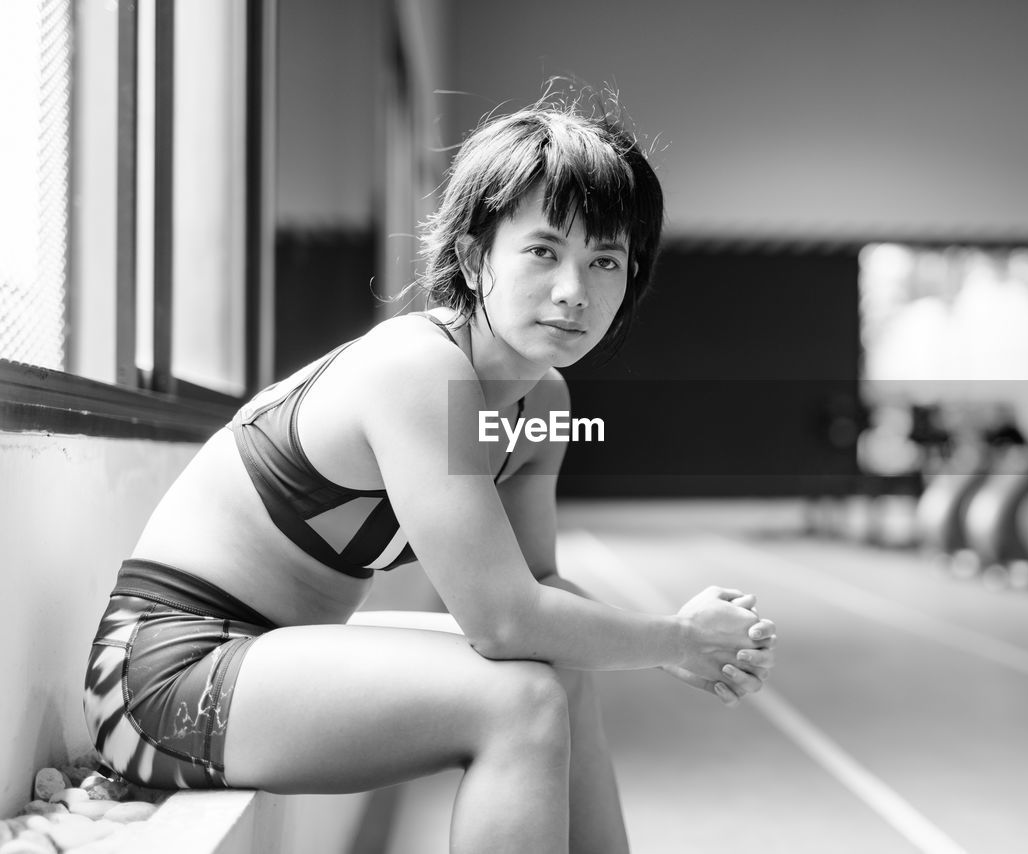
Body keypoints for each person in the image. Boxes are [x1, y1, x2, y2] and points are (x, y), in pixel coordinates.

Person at [83, 88, 777, 854]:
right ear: (477, 258)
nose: (574, 290)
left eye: (604, 260)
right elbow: (503, 621)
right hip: (160, 680)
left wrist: (660, 641)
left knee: (560, 670)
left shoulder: (543, 402)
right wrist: (673, 639)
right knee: (519, 701)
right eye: (544, 250)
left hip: (273, 659)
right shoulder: (416, 367)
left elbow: (539, 593)